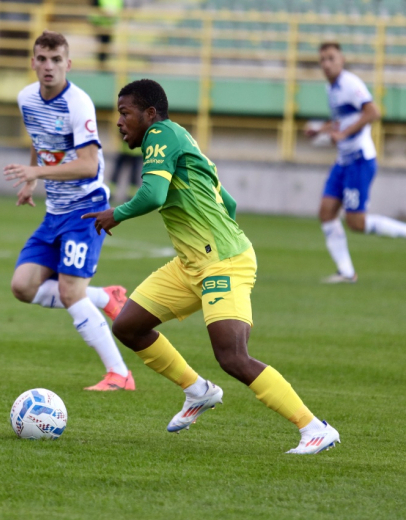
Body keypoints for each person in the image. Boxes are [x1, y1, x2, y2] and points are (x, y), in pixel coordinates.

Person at [83, 79, 340, 454]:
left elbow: (153, 194)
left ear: (149, 115)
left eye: (125, 114)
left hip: (221, 261)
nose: (119, 123)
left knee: (232, 357)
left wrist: (116, 214)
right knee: (128, 326)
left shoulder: (159, 136)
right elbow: (229, 202)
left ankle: (314, 428)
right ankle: (197, 390)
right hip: (193, 262)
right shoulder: (180, 139)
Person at [3, 30, 133, 392]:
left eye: (56, 60)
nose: (48, 67)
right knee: (22, 286)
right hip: (54, 212)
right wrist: (31, 182)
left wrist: (37, 172)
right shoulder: (26, 98)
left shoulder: (78, 103)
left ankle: (119, 374)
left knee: (71, 293)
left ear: (68, 64)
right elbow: (38, 139)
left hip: (86, 211)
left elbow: (89, 165)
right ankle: (107, 297)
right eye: (42, 59)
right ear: (33, 62)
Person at [307, 42, 406, 283]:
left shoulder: (350, 84)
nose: (326, 64)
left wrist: (342, 135)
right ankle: (346, 272)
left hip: (359, 160)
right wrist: (320, 130)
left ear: (342, 60)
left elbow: (373, 112)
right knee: (326, 212)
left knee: (356, 222)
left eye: (331, 58)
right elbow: (342, 120)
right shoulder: (330, 88)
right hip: (343, 161)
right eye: (322, 59)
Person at [89, 0, 122, 66]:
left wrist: (114, 13)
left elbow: (121, 5)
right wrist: (104, 13)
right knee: (101, 47)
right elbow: (94, 7)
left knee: (107, 46)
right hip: (99, 24)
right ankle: (101, 66)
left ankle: (104, 65)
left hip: (111, 24)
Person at [110, 140, 142, 204]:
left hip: (131, 151)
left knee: (132, 175)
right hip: (128, 150)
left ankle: (131, 195)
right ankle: (130, 195)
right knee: (118, 173)